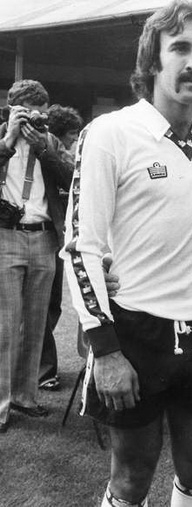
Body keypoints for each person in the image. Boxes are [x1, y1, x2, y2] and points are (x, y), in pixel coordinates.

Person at [61, 2, 192, 506]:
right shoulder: (110, 133)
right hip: (137, 331)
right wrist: (106, 350)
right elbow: (82, 246)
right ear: (152, 61)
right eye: (180, 48)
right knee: (132, 477)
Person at [0, 79, 73, 434]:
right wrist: (7, 142)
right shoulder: (2, 136)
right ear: (11, 110)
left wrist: (44, 148)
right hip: (6, 236)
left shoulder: (50, 140)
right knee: (4, 325)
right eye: (26, 113)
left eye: (39, 114)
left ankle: (25, 396)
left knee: (36, 323)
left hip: (45, 238)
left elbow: (73, 178)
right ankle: (1, 406)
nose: (33, 120)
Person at [38, 104, 84, 391]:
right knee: (42, 306)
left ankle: (35, 360)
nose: (74, 140)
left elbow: (73, 177)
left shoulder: (59, 153)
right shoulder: (43, 154)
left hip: (56, 235)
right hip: (36, 234)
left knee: (53, 304)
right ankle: (43, 368)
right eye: (71, 134)